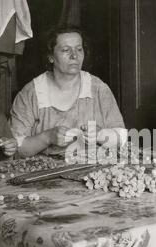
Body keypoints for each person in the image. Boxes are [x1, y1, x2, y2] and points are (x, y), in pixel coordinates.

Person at [10, 25, 126, 159]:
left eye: (79, 49)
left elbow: (121, 138)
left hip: (93, 167)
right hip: (45, 173)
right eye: (66, 50)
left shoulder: (98, 88)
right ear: (50, 57)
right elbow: (15, 148)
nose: (74, 55)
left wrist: (100, 134)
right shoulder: (31, 92)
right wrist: (47, 137)